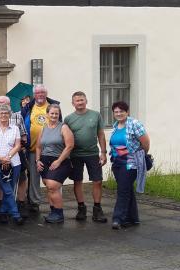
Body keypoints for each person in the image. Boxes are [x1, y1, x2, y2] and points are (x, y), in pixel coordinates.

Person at [65, 91, 108, 223]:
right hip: (75, 155)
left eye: (82, 100)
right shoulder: (68, 119)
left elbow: (101, 134)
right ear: (73, 103)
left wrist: (103, 152)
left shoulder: (96, 115)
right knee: (77, 181)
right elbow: (65, 138)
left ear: (86, 101)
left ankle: (97, 209)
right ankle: (81, 208)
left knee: (98, 181)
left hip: (92, 153)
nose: (80, 102)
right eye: (77, 100)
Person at [109, 101, 150, 230]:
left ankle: (118, 218)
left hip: (130, 162)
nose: (119, 114)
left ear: (127, 112)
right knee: (126, 189)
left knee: (123, 190)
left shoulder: (134, 124)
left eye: (121, 111)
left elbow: (146, 142)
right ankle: (133, 218)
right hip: (117, 162)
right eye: (116, 112)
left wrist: (140, 156)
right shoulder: (116, 125)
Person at [21, 84, 60, 212]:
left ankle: (55, 203)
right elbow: (23, 124)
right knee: (34, 177)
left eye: (43, 92)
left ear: (46, 93)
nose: (40, 95)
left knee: (53, 177)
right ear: (34, 95)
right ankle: (35, 202)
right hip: (33, 148)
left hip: (52, 149)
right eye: (38, 93)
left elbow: (60, 125)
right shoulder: (28, 107)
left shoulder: (54, 106)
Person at [0, 95, 28, 210]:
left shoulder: (18, 117)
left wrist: (12, 154)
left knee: (21, 178)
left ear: (8, 104)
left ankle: (21, 202)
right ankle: (0, 202)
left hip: (16, 154)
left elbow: (23, 136)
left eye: (2, 102)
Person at [35, 104, 74, 223]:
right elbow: (38, 147)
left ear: (59, 115)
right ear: (47, 114)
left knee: (52, 186)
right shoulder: (43, 128)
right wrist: (37, 161)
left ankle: (59, 213)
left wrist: (58, 161)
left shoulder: (64, 127)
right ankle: (53, 212)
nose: (54, 115)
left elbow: (70, 146)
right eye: (52, 113)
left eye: (56, 113)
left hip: (60, 161)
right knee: (49, 187)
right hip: (44, 161)